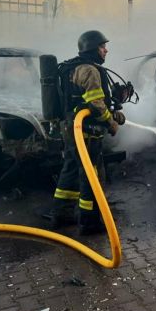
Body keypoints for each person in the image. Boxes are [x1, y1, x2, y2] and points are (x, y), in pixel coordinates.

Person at [51, 30, 126, 235]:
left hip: (71, 129)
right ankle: (89, 223)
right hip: (86, 132)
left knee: (70, 171)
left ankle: (61, 215)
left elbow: (83, 101)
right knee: (91, 176)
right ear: (92, 48)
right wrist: (111, 123)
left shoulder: (71, 67)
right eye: (102, 47)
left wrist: (113, 113)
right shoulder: (90, 70)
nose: (105, 50)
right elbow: (95, 104)